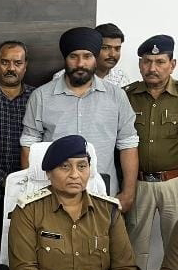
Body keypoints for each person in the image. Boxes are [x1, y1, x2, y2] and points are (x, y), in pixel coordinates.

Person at [8, 135, 137, 270]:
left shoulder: (108, 210)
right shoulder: (28, 211)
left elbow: (124, 268)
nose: (75, 175)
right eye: (65, 166)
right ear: (48, 173)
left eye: (82, 166)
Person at [20, 27, 139, 211]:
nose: (80, 63)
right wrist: (35, 192)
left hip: (103, 192)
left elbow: (128, 144)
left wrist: (128, 193)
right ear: (65, 59)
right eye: (73, 56)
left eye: (87, 56)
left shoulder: (116, 96)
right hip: (54, 194)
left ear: (96, 58)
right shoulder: (41, 96)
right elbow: (29, 146)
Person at [123, 35, 178, 270]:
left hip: (177, 182)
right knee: (134, 245)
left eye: (160, 62)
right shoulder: (126, 95)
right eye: (147, 61)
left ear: (172, 65)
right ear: (140, 64)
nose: (152, 68)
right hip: (139, 182)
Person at [0, 40, 35, 258]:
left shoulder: (37, 98)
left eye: (17, 63)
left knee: (26, 251)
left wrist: (23, 182)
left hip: (31, 191)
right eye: (5, 62)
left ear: (25, 66)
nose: (11, 68)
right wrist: (5, 181)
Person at [52, 23, 130, 87]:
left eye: (117, 49)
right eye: (105, 48)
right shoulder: (61, 78)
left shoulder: (121, 77)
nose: (112, 54)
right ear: (93, 48)